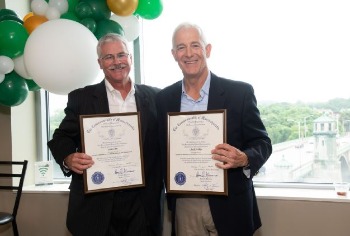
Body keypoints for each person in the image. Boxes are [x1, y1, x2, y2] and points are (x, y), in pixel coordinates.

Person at [156, 22, 272, 236]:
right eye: (181, 47)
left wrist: (244, 158)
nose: (189, 53)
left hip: (231, 202)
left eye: (195, 45)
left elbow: (263, 143)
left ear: (207, 50)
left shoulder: (240, 93)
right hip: (185, 202)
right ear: (173, 54)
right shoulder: (163, 99)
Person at [48, 33, 163, 236]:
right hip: (96, 204)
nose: (116, 62)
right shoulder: (81, 98)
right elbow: (60, 137)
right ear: (100, 63)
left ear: (130, 58)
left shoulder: (156, 97)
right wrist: (68, 157)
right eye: (108, 57)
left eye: (121, 55)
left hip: (142, 204)